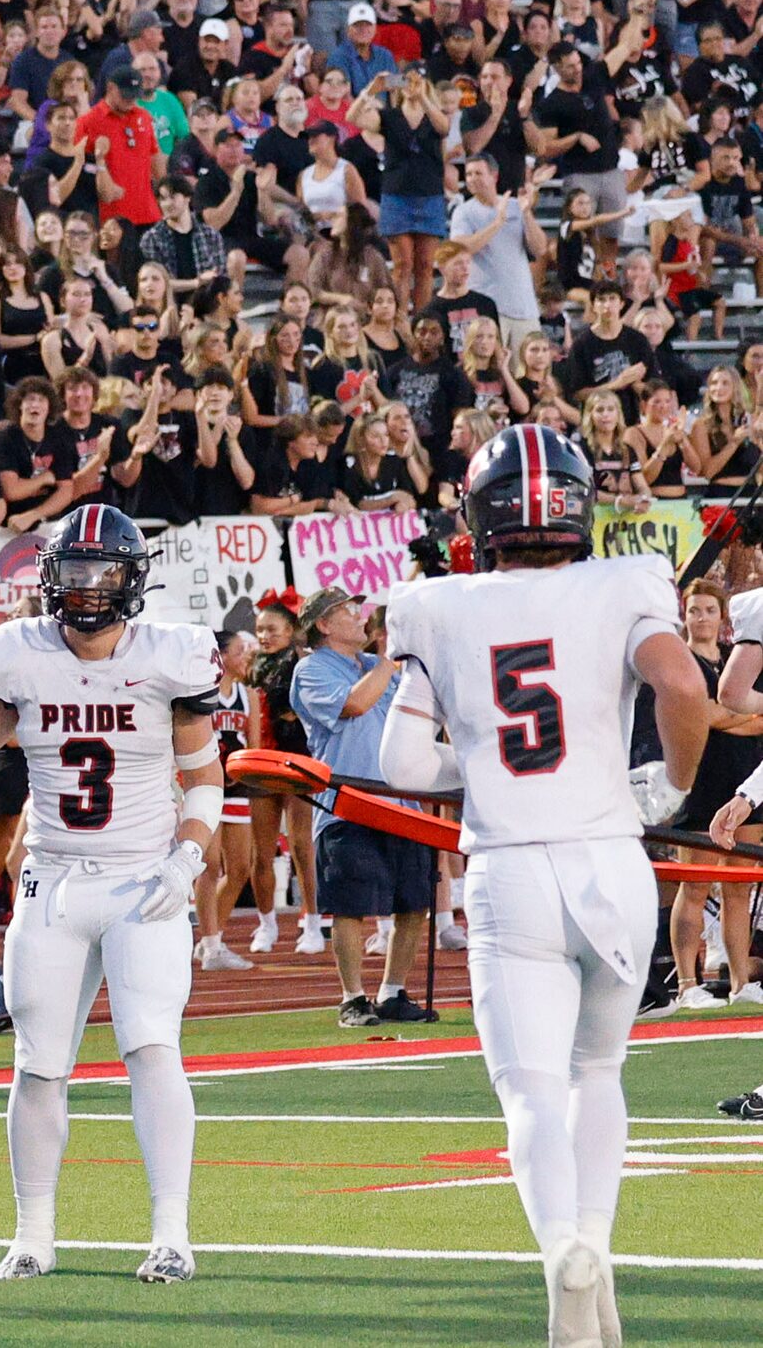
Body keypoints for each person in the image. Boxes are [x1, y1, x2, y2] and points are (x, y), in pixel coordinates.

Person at [382, 427, 763, 1343]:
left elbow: (398, 760)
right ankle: (595, 1241)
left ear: (483, 515)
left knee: (531, 1089)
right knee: (599, 1071)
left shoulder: (438, 603)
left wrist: (482, 764)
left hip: (512, 868)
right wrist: (670, 782)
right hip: (611, 860)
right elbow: (680, 686)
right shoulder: (623, 583)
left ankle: (561, 1246)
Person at [0, 506, 225, 1285]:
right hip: (51, 881)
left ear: (131, 579)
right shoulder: (16, 656)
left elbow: (206, 778)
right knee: (38, 1064)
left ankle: (172, 1234)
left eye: (100, 573)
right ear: (49, 577)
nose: (85, 590)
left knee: (152, 1049)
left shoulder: (172, 658)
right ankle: (34, 1234)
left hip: (144, 878)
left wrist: (187, 860)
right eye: (71, 572)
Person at [290, 585, 439, 1026]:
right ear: (323, 624)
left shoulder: (377, 664)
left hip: (400, 797)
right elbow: (353, 704)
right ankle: (352, 997)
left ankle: (392, 991)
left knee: (413, 901)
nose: (360, 616)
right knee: (351, 904)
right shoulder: (312, 669)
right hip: (348, 802)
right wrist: (390, 660)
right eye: (348, 611)